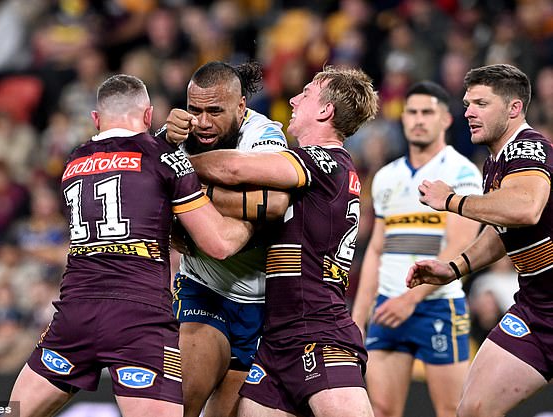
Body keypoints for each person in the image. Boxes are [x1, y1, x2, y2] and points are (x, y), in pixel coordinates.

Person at [8, 74, 254, 417]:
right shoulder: (165, 158)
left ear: (96, 119)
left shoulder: (74, 162)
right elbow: (219, 244)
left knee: (15, 413)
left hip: (75, 313)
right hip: (139, 318)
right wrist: (251, 223)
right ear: (149, 115)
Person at [182, 66, 379, 417]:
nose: (292, 99)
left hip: (318, 329)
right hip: (277, 339)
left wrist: (175, 167)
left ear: (325, 111)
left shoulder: (322, 161)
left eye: (305, 93)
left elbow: (235, 169)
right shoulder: (328, 166)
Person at [407, 63, 553, 417]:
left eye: (481, 104)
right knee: (472, 410)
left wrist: (453, 201)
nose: (468, 112)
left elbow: (526, 208)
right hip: (536, 310)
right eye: (468, 103)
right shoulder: (495, 163)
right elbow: (505, 231)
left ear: (514, 108)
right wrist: (454, 268)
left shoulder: (528, 149)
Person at [164, 61, 289, 417]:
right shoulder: (172, 137)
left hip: (265, 302)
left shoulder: (263, 134)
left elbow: (274, 203)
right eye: (194, 110)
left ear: (241, 108)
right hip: (204, 289)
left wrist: (185, 186)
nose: (202, 122)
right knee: (182, 401)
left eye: (214, 111)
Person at [351, 81, 482, 417]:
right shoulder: (385, 177)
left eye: (428, 112)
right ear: (403, 118)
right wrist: (357, 317)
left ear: (446, 120)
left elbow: (459, 245)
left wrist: (409, 300)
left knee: (452, 410)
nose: (418, 119)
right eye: (412, 112)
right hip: (387, 305)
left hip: (438, 306)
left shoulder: (462, 172)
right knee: (380, 409)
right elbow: (377, 250)